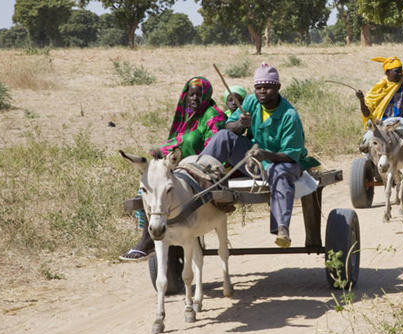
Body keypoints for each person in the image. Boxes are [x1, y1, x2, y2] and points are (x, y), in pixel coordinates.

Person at [197, 62, 319, 248]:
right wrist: (240, 124)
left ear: (277, 88)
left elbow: (291, 154)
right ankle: (196, 179)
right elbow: (228, 127)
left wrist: (266, 154)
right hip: (253, 158)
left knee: (280, 173)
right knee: (223, 136)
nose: (262, 91)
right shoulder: (251, 102)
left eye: (267, 87)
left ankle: (282, 228)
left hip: (282, 161)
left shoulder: (289, 115)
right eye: (258, 87)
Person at [120, 76, 227, 261]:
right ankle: (149, 235)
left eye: (199, 95)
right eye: (190, 94)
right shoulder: (185, 115)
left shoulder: (214, 115)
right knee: (148, 188)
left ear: (207, 95)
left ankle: (148, 240)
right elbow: (175, 142)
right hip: (176, 166)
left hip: (201, 167)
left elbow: (214, 149)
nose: (194, 98)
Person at [355, 56, 403, 126]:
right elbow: (367, 114)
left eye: (401, 71)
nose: (400, 74)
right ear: (387, 72)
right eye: (397, 71)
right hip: (382, 123)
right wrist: (362, 100)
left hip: (401, 122)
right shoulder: (378, 88)